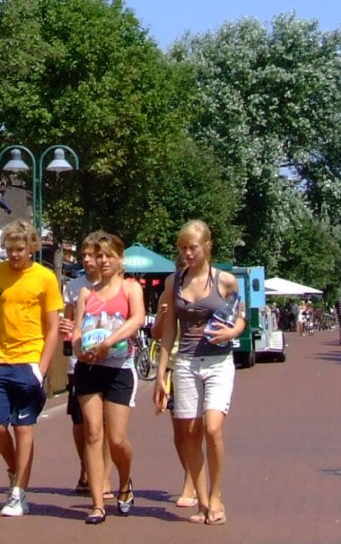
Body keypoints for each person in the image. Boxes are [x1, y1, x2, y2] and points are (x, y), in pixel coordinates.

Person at [152, 220, 243, 527]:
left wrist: (231, 333)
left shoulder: (226, 281)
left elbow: (240, 318)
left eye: (192, 247)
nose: (187, 253)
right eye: (182, 248)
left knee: (213, 428)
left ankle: (216, 496)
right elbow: (167, 332)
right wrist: (161, 375)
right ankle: (203, 502)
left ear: (207, 247)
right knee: (189, 432)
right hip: (186, 363)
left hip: (218, 362)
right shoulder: (173, 282)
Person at [0, 220, 63, 518]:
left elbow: (53, 328)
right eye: (10, 249)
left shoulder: (45, 278)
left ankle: (18, 493)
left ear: (32, 248)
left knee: (24, 428)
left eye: (20, 249)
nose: (14, 255)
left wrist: (41, 368)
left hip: (29, 360)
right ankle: (15, 468)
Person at [72, 231, 145, 524]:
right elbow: (77, 331)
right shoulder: (86, 293)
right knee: (92, 432)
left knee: (116, 439)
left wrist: (108, 342)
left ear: (120, 259)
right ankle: (96, 504)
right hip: (89, 368)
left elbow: (136, 319)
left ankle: (124, 483)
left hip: (118, 368)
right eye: (98, 255)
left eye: (108, 256)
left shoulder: (130, 288)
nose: (102, 261)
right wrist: (80, 349)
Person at [62, 258, 94, 497]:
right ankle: (85, 467)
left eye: (93, 254)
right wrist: (67, 329)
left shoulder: (118, 286)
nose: (88, 260)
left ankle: (98, 475)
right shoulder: (74, 287)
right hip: (79, 361)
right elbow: (68, 319)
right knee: (79, 421)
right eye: (85, 255)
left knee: (101, 423)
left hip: (107, 359)